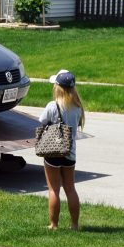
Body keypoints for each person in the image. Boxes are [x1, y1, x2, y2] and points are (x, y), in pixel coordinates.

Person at [38, 69, 86, 230]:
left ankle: (54, 224)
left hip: (53, 151)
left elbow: (42, 121)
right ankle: (74, 224)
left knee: (53, 189)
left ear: (57, 87)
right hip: (70, 152)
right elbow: (77, 123)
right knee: (70, 188)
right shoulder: (77, 107)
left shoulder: (52, 106)